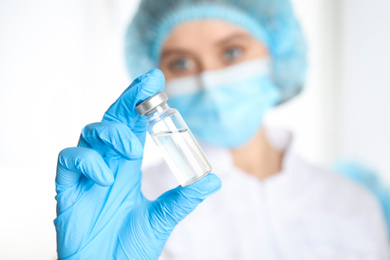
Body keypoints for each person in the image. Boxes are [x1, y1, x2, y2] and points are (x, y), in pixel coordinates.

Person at [54, 0, 389, 259]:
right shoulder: (135, 205)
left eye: (231, 52)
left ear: (277, 54)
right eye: (181, 63)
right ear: (157, 74)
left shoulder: (352, 201)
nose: (209, 79)